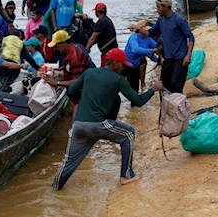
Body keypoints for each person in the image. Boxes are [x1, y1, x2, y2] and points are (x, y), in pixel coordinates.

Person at [51, 48, 163, 190]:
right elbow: (138, 101)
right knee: (128, 134)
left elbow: (72, 91)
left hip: (78, 125)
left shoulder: (89, 73)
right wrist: (153, 88)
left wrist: (89, 93)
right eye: (122, 64)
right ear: (115, 63)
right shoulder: (118, 79)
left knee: (69, 163)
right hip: (97, 125)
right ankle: (126, 176)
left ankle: (55, 188)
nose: (123, 68)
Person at [136, 0, 195, 93]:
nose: (157, 10)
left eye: (158, 7)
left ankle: (177, 106)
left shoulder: (179, 20)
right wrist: (137, 29)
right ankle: (165, 107)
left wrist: (188, 56)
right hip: (168, 57)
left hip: (180, 57)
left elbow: (191, 37)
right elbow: (151, 33)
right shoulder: (161, 19)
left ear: (166, 7)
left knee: (176, 85)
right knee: (163, 85)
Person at [42, 30, 91, 119]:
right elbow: (68, 68)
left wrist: (56, 83)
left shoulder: (75, 57)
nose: (56, 49)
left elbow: (77, 81)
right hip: (76, 94)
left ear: (63, 43)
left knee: (76, 124)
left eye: (57, 46)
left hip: (83, 95)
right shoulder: (68, 52)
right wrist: (57, 70)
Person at [124, 20, 158, 92]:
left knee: (135, 89)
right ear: (140, 30)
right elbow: (135, 49)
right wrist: (152, 50)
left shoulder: (148, 38)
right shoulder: (133, 37)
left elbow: (156, 46)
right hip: (126, 65)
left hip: (136, 65)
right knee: (125, 85)